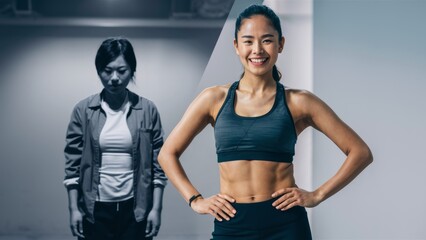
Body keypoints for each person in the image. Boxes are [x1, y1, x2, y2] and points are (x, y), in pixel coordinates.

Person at [158, 4, 373, 240]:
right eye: (248, 41)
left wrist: (317, 194)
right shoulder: (213, 99)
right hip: (232, 223)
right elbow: (167, 153)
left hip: (286, 224)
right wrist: (195, 200)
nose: (257, 49)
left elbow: (360, 152)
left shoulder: (299, 101)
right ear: (236, 46)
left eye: (267, 40)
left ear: (280, 44)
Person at [63, 37, 167, 240]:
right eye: (107, 70)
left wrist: (156, 209)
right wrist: (73, 209)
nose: (114, 78)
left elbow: (159, 165)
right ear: (98, 70)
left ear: (132, 70)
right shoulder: (84, 110)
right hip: (94, 209)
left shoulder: (147, 109)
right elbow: (72, 165)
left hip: (136, 208)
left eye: (122, 70)